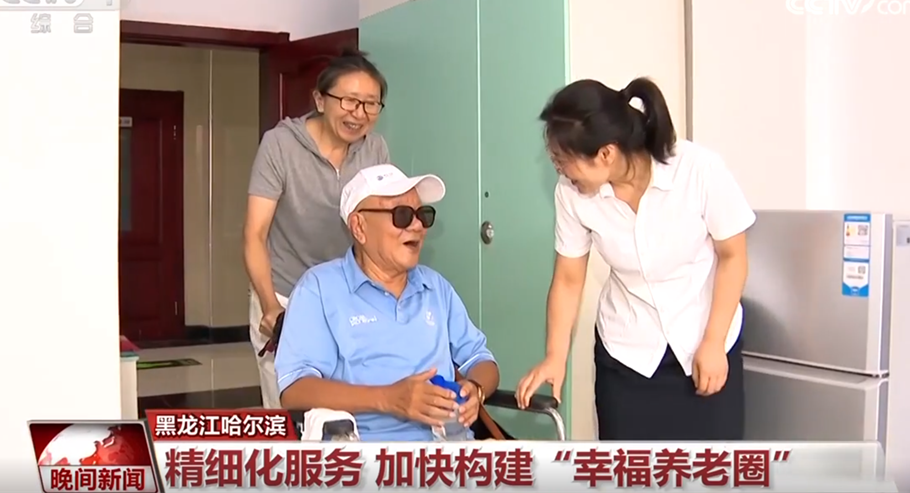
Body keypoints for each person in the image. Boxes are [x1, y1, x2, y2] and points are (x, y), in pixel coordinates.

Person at [515, 77, 755, 441]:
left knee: (712, 467)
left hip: (705, 344)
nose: (560, 172)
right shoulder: (572, 194)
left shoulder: (696, 169)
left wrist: (714, 341)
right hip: (627, 357)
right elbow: (568, 279)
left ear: (606, 154)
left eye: (563, 162)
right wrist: (555, 356)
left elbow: (733, 256)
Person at [274, 164, 500, 441]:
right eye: (402, 215)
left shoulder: (435, 287)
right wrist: (389, 398)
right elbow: (295, 390)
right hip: (367, 456)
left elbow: (481, 359)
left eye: (423, 215)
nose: (417, 226)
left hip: (450, 453)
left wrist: (476, 389)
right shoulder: (319, 289)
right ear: (359, 227)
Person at [244, 50, 391, 409]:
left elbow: (381, 228)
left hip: (348, 296)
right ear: (320, 100)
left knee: (346, 408)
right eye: (349, 101)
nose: (359, 114)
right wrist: (269, 306)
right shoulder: (280, 145)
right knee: (289, 410)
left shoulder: (375, 149)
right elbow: (255, 234)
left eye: (371, 104)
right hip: (286, 295)